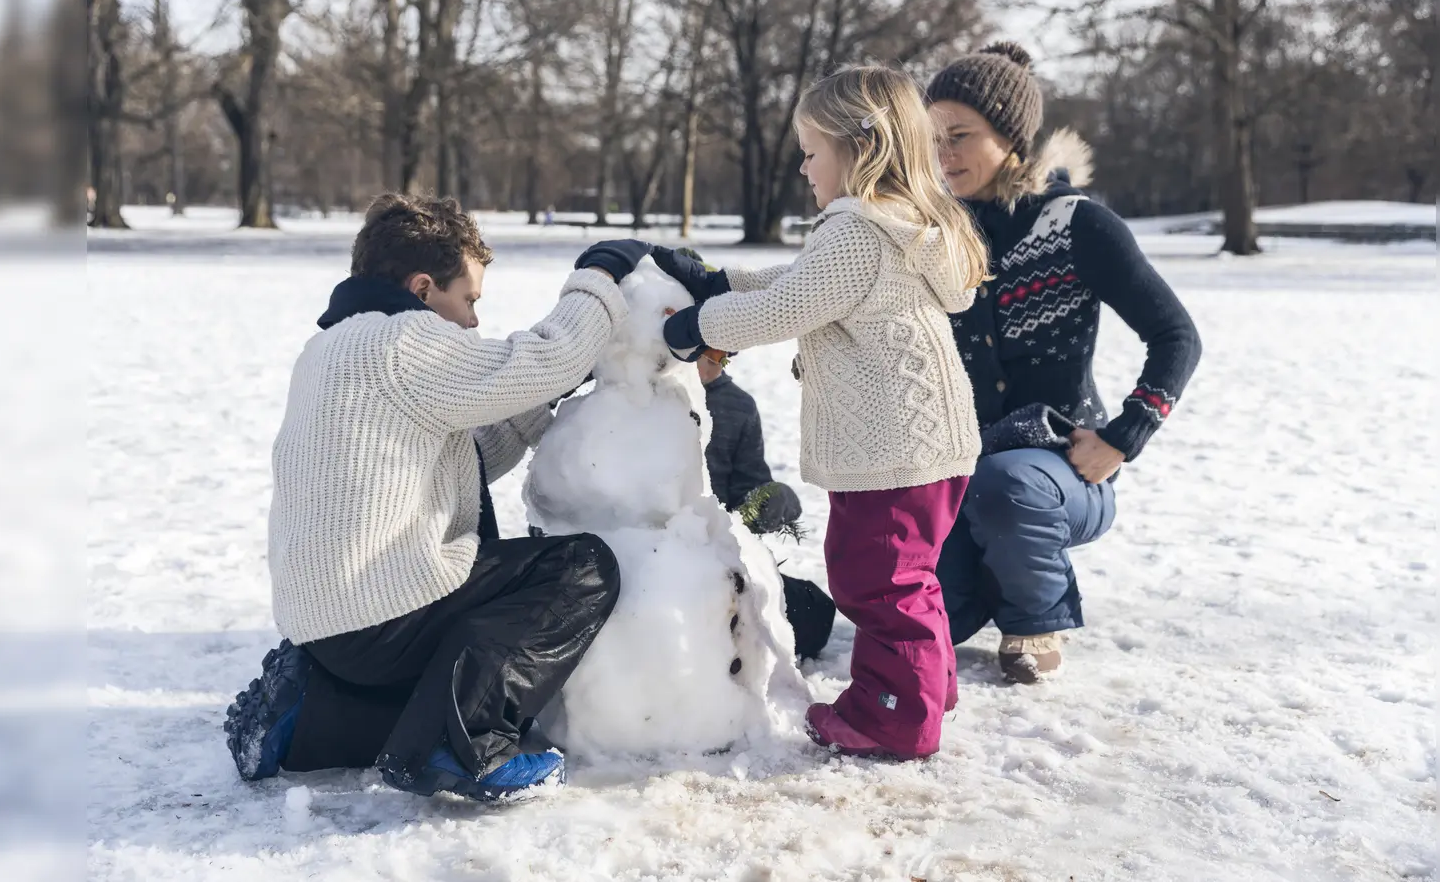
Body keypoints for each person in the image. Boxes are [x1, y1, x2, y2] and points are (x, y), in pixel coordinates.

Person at [223, 193, 657, 802]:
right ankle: (462, 748)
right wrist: (601, 274)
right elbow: (543, 359)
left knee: (439, 683)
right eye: (469, 299)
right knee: (581, 568)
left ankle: (311, 717)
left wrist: (541, 400)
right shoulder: (401, 341)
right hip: (380, 611)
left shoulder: (331, 348)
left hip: (329, 625)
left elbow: (462, 458)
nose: (474, 320)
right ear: (423, 288)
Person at [648, 66, 988, 760]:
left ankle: (893, 718)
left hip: (890, 450)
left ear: (857, 148)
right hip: (931, 445)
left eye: (810, 151)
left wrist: (699, 326)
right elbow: (799, 284)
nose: (803, 167)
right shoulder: (901, 228)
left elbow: (786, 309)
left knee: (877, 580)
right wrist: (721, 283)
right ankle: (930, 685)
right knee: (908, 574)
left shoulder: (857, 232)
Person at [925, 43, 1203, 684]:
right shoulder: (940, 234)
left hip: (1063, 472)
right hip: (959, 471)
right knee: (937, 613)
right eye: (934, 139)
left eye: (961, 136)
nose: (945, 155)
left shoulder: (1077, 226)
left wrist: (1124, 438)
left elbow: (1176, 336)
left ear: (1011, 136)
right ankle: (997, 582)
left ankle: (1034, 622)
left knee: (1007, 486)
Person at [696, 352, 837, 661]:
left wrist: (768, 501)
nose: (711, 360)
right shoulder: (652, 396)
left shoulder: (737, 406)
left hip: (719, 556)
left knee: (816, 610)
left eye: (720, 353)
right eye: (704, 351)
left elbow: (747, 489)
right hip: (659, 550)